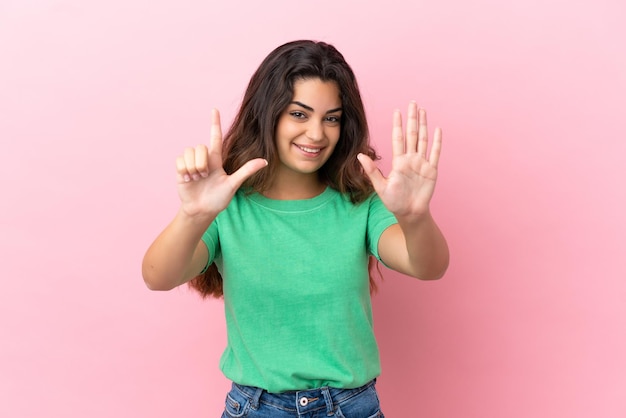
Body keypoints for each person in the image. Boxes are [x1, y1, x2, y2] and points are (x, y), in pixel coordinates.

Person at [142, 40, 449, 418]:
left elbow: (428, 266)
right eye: (299, 114)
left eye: (331, 118)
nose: (317, 134)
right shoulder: (226, 202)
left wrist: (415, 217)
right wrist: (193, 214)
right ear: (267, 114)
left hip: (351, 408)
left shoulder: (359, 201)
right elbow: (158, 277)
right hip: (256, 408)